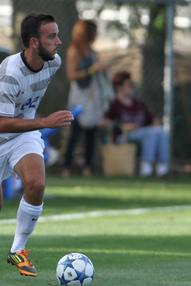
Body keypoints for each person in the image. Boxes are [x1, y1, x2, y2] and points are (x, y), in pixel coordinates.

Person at [0, 13, 71, 280]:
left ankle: (18, 249)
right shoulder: (10, 72)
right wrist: (45, 121)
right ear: (34, 42)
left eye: (58, 34)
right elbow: (1, 124)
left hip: (22, 133)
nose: (59, 41)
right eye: (52, 36)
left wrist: (38, 123)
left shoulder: (53, 63)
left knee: (36, 183)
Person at [61, 19, 109, 177]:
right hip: (80, 96)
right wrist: (91, 71)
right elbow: (71, 75)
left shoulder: (92, 51)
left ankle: (87, 167)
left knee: (91, 132)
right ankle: (66, 167)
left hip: (93, 95)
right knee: (75, 131)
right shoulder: (74, 51)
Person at [105, 71, 169, 177]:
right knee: (151, 133)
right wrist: (121, 126)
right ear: (119, 87)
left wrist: (155, 122)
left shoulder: (138, 104)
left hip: (142, 133)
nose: (131, 87)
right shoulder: (114, 104)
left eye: (132, 85)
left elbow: (151, 118)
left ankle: (162, 167)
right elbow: (103, 121)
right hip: (123, 136)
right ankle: (146, 167)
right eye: (128, 85)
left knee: (160, 132)